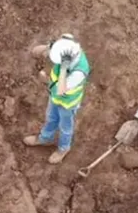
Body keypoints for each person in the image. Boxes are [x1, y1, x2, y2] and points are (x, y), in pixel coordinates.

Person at [22, 34, 91, 164]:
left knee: (65, 127)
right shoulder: (68, 44)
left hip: (67, 103)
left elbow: (61, 88)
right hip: (54, 97)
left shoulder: (79, 72)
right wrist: (47, 49)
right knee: (51, 117)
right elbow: (58, 43)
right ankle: (45, 138)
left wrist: (46, 80)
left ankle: (64, 148)